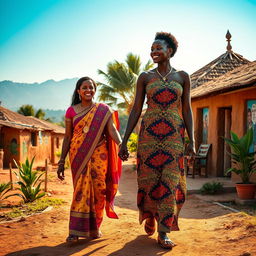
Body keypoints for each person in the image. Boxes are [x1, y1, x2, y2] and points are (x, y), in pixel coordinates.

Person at [119, 32, 195, 249]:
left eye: (158, 48)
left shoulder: (182, 77)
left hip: (174, 137)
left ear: (169, 51)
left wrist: (193, 138)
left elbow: (187, 109)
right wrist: (124, 141)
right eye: (151, 49)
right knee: (150, 180)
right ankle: (150, 215)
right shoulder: (145, 77)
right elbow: (136, 109)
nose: (153, 52)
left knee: (170, 181)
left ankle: (164, 231)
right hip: (148, 138)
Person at [57, 76, 122, 242]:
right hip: (78, 155)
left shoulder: (103, 109)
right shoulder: (71, 111)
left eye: (91, 87)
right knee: (80, 191)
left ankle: (95, 228)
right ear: (78, 91)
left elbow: (112, 130)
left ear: (95, 90)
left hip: (100, 155)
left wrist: (121, 145)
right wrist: (61, 161)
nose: (88, 90)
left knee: (100, 191)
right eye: (84, 87)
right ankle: (74, 230)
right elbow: (67, 137)